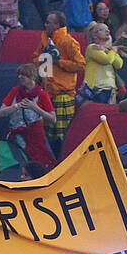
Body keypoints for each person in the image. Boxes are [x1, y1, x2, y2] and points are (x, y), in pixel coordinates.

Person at [32, 10, 84, 156]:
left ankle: (65, 161)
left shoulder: (68, 41)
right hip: (47, 92)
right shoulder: (44, 41)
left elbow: (80, 65)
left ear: (57, 24)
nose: (45, 24)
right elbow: (35, 59)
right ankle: (55, 160)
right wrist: (43, 58)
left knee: (62, 134)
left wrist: (58, 61)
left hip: (63, 94)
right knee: (48, 133)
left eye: (49, 22)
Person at [85, 22, 126, 104]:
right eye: (102, 30)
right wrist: (114, 51)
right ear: (94, 35)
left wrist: (110, 50)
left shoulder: (108, 50)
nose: (107, 31)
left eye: (107, 29)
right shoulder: (92, 48)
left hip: (110, 89)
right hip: (97, 89)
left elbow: (119, 64)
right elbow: (106, 60)